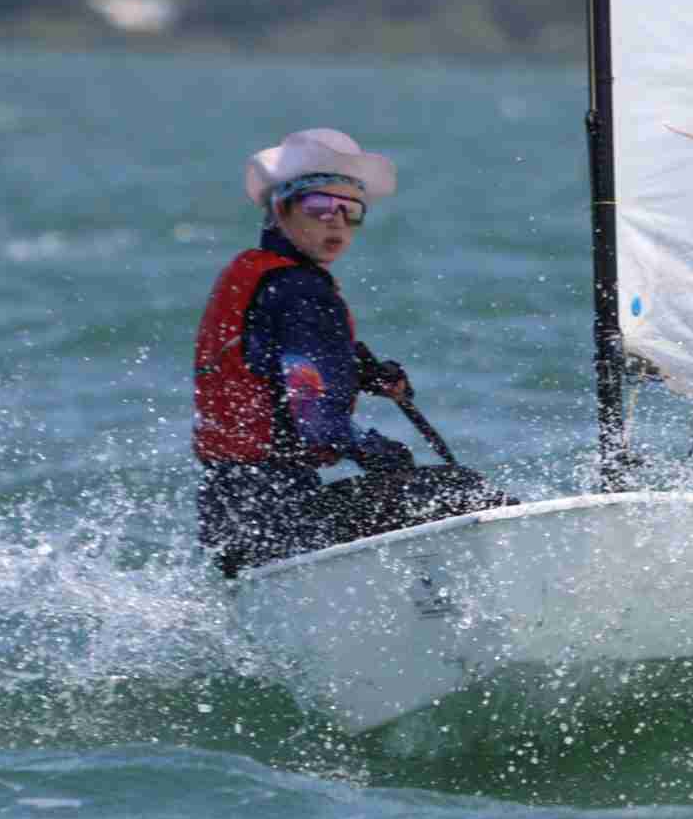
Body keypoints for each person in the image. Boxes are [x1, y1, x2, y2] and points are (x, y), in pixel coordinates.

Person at [193, 128, 505, 575]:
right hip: (281, 518)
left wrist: (359, 372)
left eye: (351, 211)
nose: (336, 221)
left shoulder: (258, 278)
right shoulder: (304, 293)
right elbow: (316, 417)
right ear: (280, 210)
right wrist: (374, 448)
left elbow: (271, 362)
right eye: (319, 207)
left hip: (231, 518)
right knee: (464, 490)